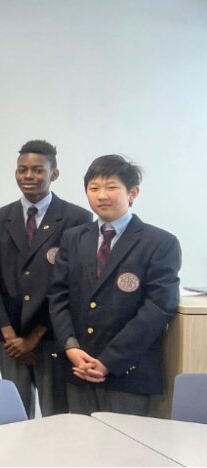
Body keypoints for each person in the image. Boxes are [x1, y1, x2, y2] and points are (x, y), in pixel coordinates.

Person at [48, 155, 181, 416]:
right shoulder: (73, 238)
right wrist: (71, 347)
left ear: (133, 193)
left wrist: (109, 360)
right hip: (78, 368)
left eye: (111, 187)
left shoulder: (159, 242)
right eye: (93, 188)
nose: (101, 195)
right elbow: (58, 296)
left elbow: (158, 308)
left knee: (124, 455)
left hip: (129, 373)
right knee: (80, 450)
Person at [0, 140, 91, 418]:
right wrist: (10, 337)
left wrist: (34, 337)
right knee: (14, 416)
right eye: (22, 170)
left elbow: (69, 284)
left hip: (52, 335)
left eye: (37, 170)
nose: (28, 176)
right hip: (10, 338)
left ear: (54, 174)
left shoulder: (76, 218)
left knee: (56, 414)